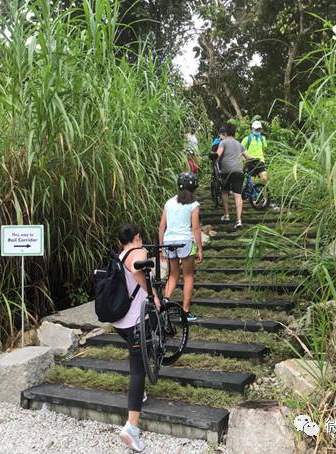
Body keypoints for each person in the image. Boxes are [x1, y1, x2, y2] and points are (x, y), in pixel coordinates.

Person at [114, 223, 161, 452]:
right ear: (137, 237)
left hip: (119, 322)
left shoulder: (120, 253)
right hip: (133, 321)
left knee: (139, 354)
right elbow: (136, 268)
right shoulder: (136, 251)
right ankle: (131, 427)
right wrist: (151, 294)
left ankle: (140, 391)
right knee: (138, 370)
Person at [159, 172, 203, 322]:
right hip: (185, 241)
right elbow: (196, 228)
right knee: (188, 275)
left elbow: (161, 227)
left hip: (169, 241)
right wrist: (199, 248)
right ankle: (185, 311)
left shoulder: (169, 202)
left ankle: (164, 303)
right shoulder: (194, 204)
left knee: (173, 274)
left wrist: (161, 247)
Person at [216, 122, 251, 229]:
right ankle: (239, 220)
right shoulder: (240, 144)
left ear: (225, 132)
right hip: (238, 172)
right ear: (235, 133)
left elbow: (217, 155)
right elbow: (248, 157)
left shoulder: (223, 143)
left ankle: (226, 215)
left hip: (225, 172)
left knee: (225, 192)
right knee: (238, 195)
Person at [241, 120, 268, 185]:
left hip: (260, 160)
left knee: (264, 178)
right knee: (252, 182)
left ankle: (264, 194)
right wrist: (243, 157)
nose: (258, 130)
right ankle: (253, 194)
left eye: (259, 129)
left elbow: (264, 148)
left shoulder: (262, 138)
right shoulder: (247, 138)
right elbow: (240, 148)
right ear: (252, 129)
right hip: (250, 161)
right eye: (256, 129)